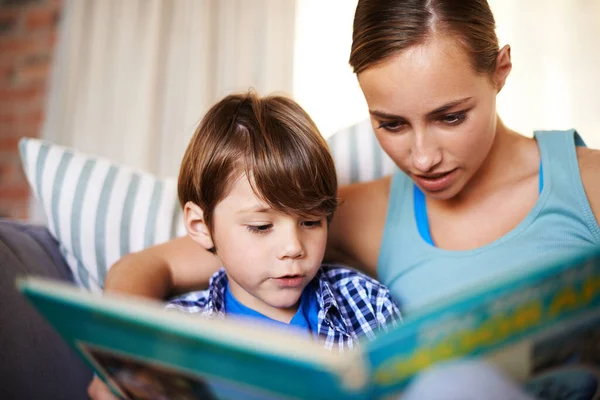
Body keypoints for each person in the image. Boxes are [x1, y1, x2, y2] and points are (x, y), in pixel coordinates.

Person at [90, 0, 600, 398]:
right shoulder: (357, 214)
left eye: (450, 116)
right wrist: (124, 364)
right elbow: (148, 265)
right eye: (391, 124)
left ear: (501, 70)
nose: (422, 158)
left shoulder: (588, 185)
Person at [166, 91, 401, 350]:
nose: (294, 247)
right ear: (201, 227)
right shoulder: (176, 331)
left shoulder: (367, 303)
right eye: (262, 227)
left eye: (311, 222)